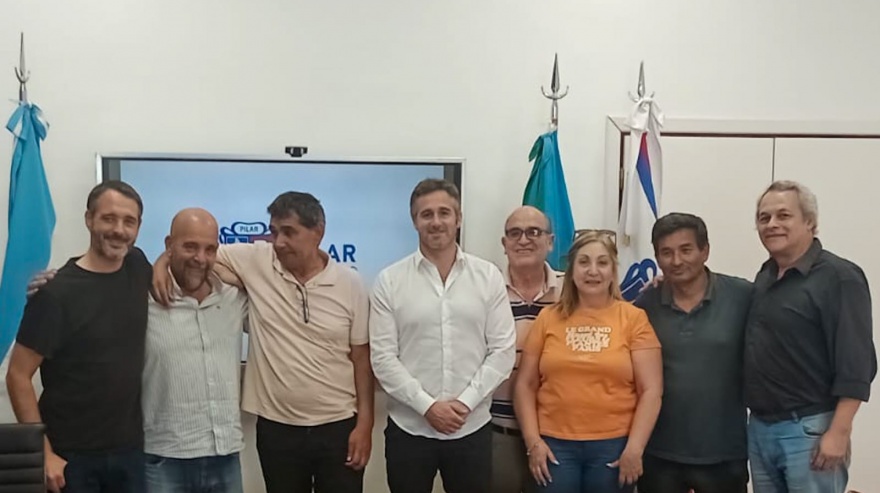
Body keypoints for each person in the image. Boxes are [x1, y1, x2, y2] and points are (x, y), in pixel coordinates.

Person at [153, 191, 373, 493]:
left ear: (318, 232)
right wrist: (161, 263)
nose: (279, 242)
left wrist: (365, 425)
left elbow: (361, 359)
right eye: (274, 231)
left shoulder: (351, 282)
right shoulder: (257, 260)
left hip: (338, 426)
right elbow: (197, 255)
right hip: (277, 431)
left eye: (289, 232)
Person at [369, 178, 516, 493]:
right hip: (409, 430)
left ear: (458, 218)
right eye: (426, 214)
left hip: (471, 428)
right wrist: (428, 407)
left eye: (444, 213)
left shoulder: (488, 276)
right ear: (414, 221)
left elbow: (503, 351)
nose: (436, 222)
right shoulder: (389, 281)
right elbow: (382, 358)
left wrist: (464, 403)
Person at [6, 180, 151, 493]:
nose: (119, 230)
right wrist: (44, 454)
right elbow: (17, 375)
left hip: (130, 453)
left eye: (129, 221)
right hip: (70, 458)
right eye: (109, 218)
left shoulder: (138, 267)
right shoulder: (55, 294)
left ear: (138, 227)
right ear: (89, 219)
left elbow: (168, 265)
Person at [745, 180, 877, 493]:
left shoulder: (839, 277)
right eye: (764, 218)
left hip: (810, 430)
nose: (772, 224)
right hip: (761, 429)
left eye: (783, 215)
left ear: (810, 222)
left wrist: (839, 432)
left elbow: (857, 362)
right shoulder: (766, 275)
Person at [514, 230, 663, 493]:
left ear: (613, 271)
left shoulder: (634, 319)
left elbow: (651, 390)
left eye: (602, 262)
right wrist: (533, 442)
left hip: (614, 445)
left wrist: (635, 448)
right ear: (571, 271)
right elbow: (525, 385)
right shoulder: (548, 317)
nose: (593, 271)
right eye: (584, 262)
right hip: (554, 445)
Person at [633, 213, 752, 493]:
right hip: (659, 453)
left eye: (686, 250)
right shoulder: (644, 305)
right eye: (666, 253)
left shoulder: (743, 296)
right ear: (657, 258)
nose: (676, 261)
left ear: (705, 251)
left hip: (724, 452)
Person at [143, 208, 248, 493]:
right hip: (164, 458)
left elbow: (270, 272)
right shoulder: (142, 298)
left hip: (225, 454)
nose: (200, 258)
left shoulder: (234, 297)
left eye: (209, 249)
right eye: (190, 246)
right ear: (169, 245)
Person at [490, 206, 563, 493]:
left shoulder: (574, 289)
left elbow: (617, 318)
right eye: (515, 233)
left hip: (557, 435)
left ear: (550, 241)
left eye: (534, 232)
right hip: (497, 432)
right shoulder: (485, 289)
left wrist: (658, 285)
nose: (523, 240)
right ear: (504, 243)